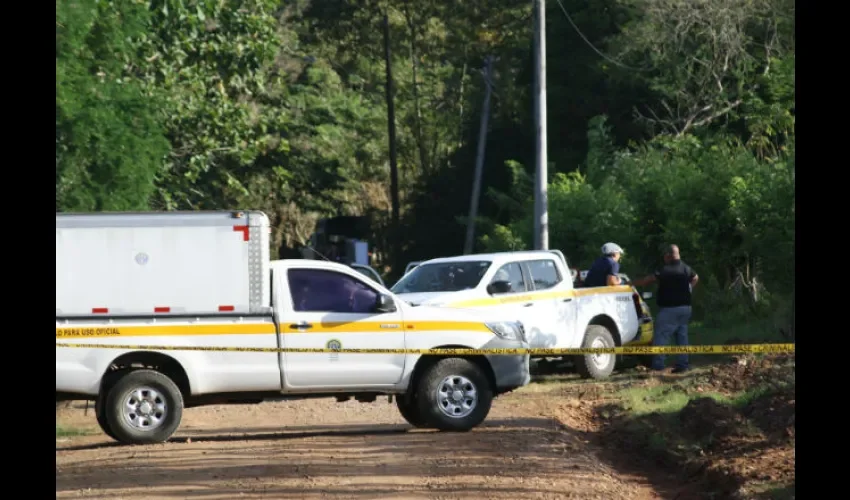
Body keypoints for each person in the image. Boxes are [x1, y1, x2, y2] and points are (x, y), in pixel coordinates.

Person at [633, 244, 699, 373]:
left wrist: (630, 283)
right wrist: (689, 288)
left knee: (661, 337)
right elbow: (696, 277)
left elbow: (648, 280)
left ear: (668, 255)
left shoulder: (665, 269)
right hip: (685, 309)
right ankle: (682, 364)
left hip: (670, 309)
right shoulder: (686, 268)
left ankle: (658, 366)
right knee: (682, 336)